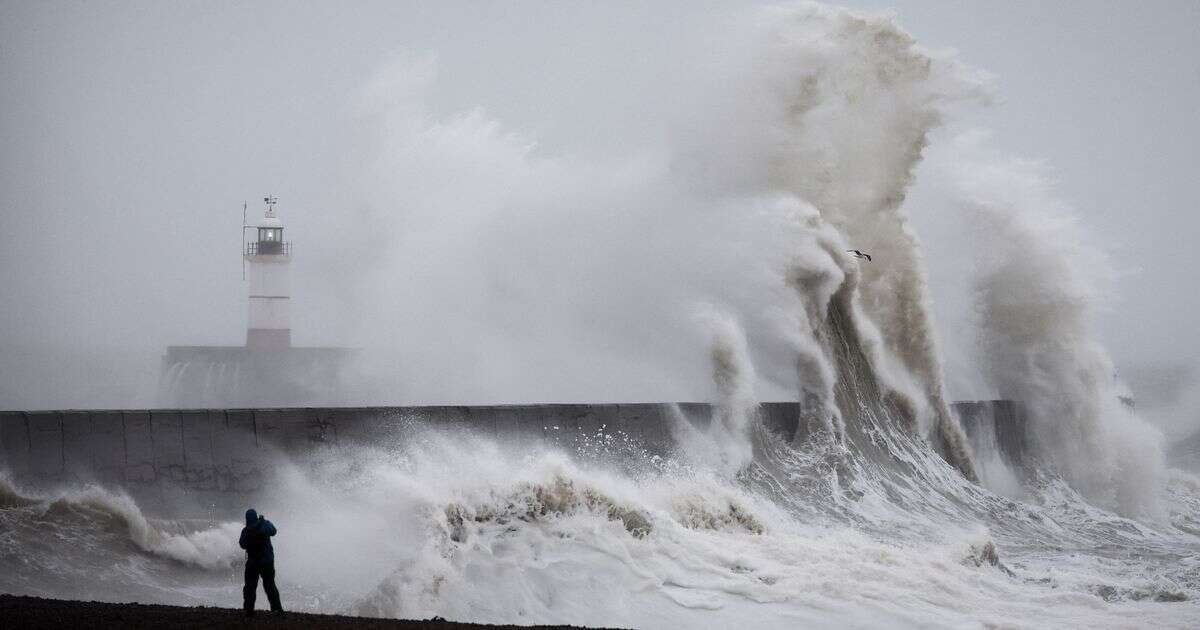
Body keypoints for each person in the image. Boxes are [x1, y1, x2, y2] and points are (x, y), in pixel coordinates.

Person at [239, 508, 283, 616]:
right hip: (266, 561)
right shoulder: (264, 525)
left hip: (253, 562)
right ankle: (277, 609)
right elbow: (273, 531)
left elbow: (242, 544)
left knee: (250, 587)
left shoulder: (246, 530)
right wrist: (263, 522)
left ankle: (249, 610)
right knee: (270, 586)